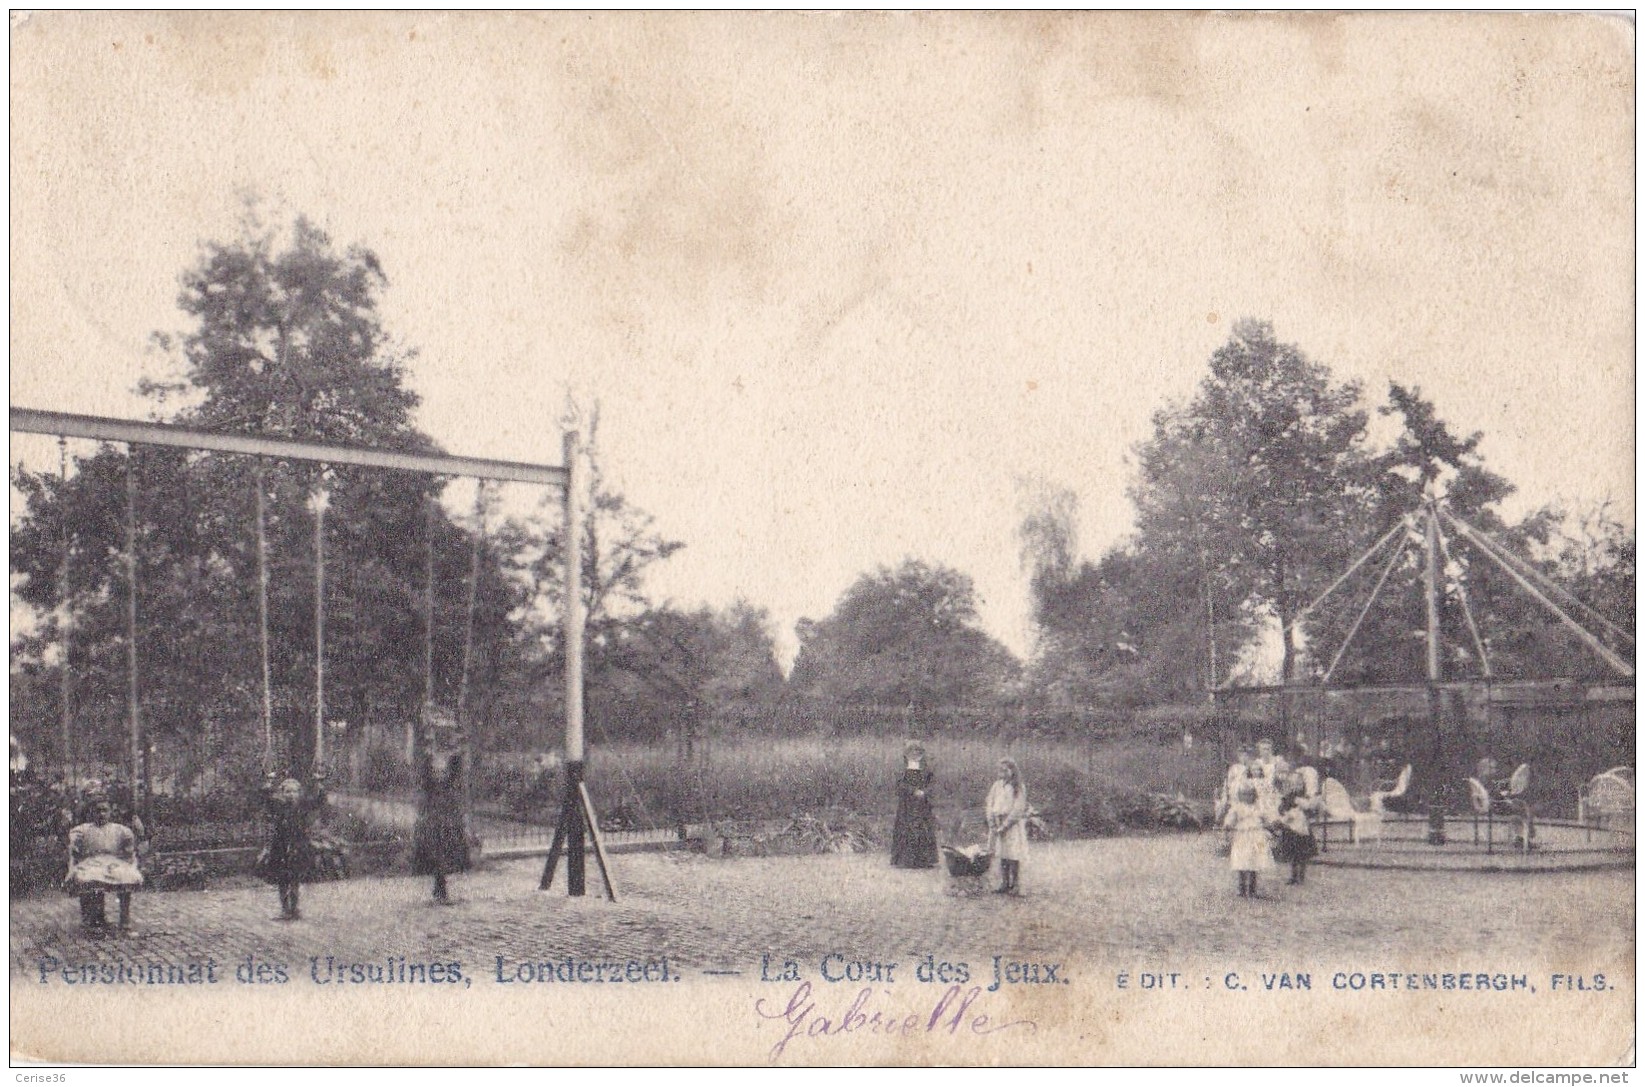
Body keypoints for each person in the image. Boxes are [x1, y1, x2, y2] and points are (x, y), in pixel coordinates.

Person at [64, 798, 143, 934]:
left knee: (127, 875)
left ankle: (125, 920)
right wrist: (68, 831)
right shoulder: (83, 830)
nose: (101, 814)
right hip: (92, 862)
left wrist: (137, 832)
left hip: (113, 862)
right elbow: (72, 845)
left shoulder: (120, 830)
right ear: (91, 813)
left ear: (110, 812)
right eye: (97, 811)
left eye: (104, 810)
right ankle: (92, 919)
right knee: (88, 877)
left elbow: (131, 848)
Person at [256, 770, 325, 921]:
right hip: (280, 846)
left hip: (298, 846)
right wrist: (269, 782)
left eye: (294, 791)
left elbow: (319, 802)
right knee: (282, 879)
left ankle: (294, 908)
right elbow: (266, 799)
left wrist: (319, 784)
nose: (291, 795)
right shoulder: (278, 805)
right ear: (282, 793)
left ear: (299, 793)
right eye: (287, 791)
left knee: (295, 879)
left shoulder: (302, 806)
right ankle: (284, 908)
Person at [414, 747, 470, 903]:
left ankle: (441, 884)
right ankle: (440, 884)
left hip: (445, 822)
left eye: (441, 771)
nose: (439, 773)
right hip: (437, 823)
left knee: (444, 853)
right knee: (437, 853)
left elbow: (455, 774)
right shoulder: (433, 787)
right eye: (435, 771)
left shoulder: (449, 786)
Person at [890, 740, 938, 869]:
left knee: (923, 829)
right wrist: (912, 791)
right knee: (906, 829)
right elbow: (899, 785)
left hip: (923, 805)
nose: (915, 753)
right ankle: (905, 860)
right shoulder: (902, 768)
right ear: (907, 753)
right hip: (907, 805)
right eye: (912, 750)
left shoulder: (927, 768)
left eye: (918, 750)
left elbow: (932, 784)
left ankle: (924, 860)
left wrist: (924, 792)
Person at [985, 758, 1029, 895]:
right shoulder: (997, 786)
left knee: (1013, 854)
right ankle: (1004, 883)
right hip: (997, 822)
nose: (1002, 773)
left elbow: (1018, 808)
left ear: (1012, 770)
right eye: (1000, 770)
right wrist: (991, 821)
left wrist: (1006, 825)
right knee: (1002, 853)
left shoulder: (1018, 787)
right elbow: (989, 803)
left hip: (1011, 825)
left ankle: (1015, 884)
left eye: (1005, 770)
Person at [1222, 783, 1274, 899]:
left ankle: (1252, 889)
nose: (1247, 797)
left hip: (1256, 836)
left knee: (1254, 861)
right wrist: (1227, 828)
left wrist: (1269, 826)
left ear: (1254, 795)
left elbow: (1266, 819)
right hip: (1242, 836)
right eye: (1244, 794)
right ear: (1240, 796)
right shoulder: (1237, 808)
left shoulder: (1258, 807)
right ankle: (1241, 888)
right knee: (1242, 861)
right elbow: (1230, 820)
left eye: (1250, 794)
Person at [1274, 785, 1317, 885]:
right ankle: (1294, 877)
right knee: (1294, 857)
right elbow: (1283, 817)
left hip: (1302, 835)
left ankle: (1300, 877)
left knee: (1301, 857)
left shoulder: (1300, 809)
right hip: (1293, 834)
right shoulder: (1290, 812)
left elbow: (1308, 807)